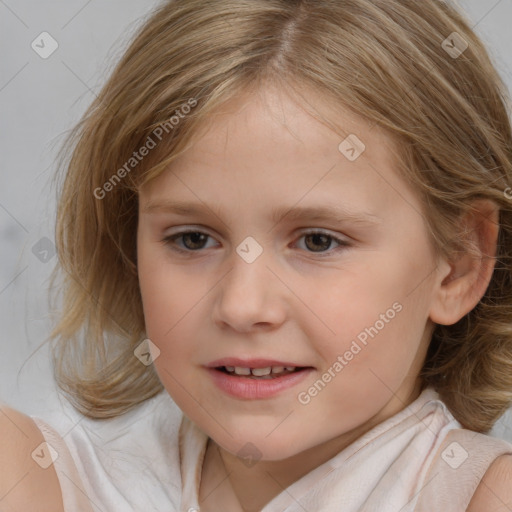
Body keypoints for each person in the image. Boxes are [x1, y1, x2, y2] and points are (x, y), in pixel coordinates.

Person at [2, 0, 512, 510]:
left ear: (459, 263)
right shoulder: (42, 480)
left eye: (317, 241)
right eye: (193, 239)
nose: (242, 306)